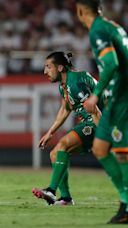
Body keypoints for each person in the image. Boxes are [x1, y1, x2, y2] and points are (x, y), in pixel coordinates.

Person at [76, 0, 128, 224]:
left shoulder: (97, 29)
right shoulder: (114, 26)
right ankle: (125, 200)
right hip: (118, 95)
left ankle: (126, 205)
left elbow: (111, 62)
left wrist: (96, 93)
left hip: (122, 96)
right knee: (100, 148)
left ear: (80, 11)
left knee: (122, 152)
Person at [32, 52, 101, 206]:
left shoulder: (75, 83)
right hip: (90, 122)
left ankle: (51, 190)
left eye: (48, 67)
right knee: (55, 154)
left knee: (63, 145)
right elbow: (65, 109)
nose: (45, 72)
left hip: (98, 123)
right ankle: (66, 198)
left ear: (61, 68)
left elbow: (96, 111)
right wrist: (50, 132)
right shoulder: (64, 85)